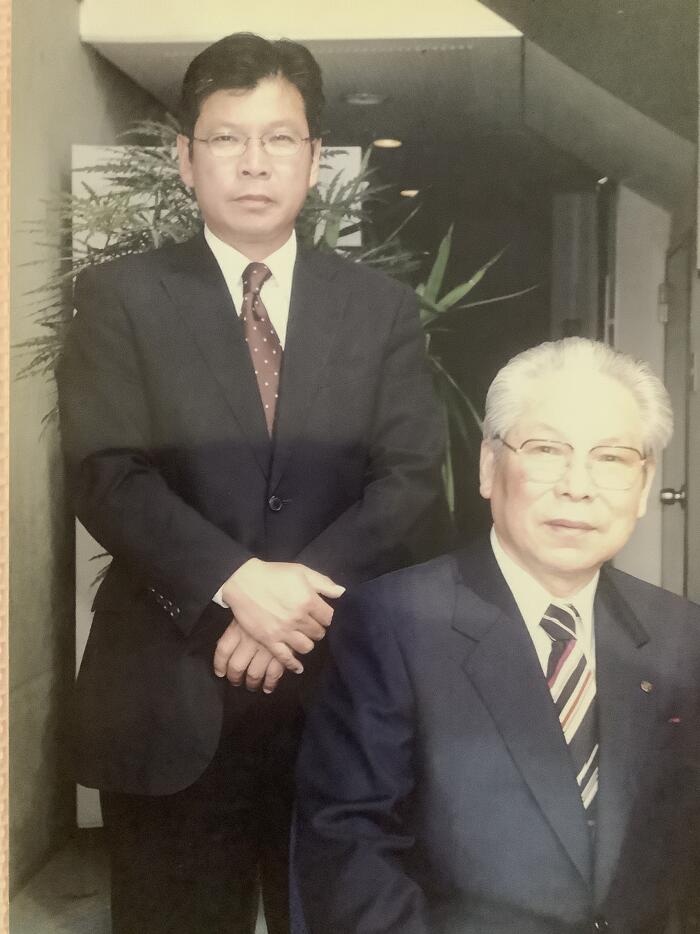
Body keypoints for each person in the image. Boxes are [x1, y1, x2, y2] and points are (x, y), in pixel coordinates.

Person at [56, 32, 448, 934]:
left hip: (337, 691)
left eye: (279, 138)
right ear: (185, 159)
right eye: (227, 138)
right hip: (167, 692)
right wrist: (237, 583)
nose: (254, 163)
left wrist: (290, 602)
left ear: (314, 157)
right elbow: (106, 473)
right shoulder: (119, 296)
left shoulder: (379, 309)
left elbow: (409, 479)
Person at [295, 336, 700, 934]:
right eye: (547, 450)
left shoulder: (681, 635)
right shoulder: (393, 622)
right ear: (489, 466)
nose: (578, 486)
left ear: (643, 487)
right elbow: (347, 847)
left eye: (611, 458)